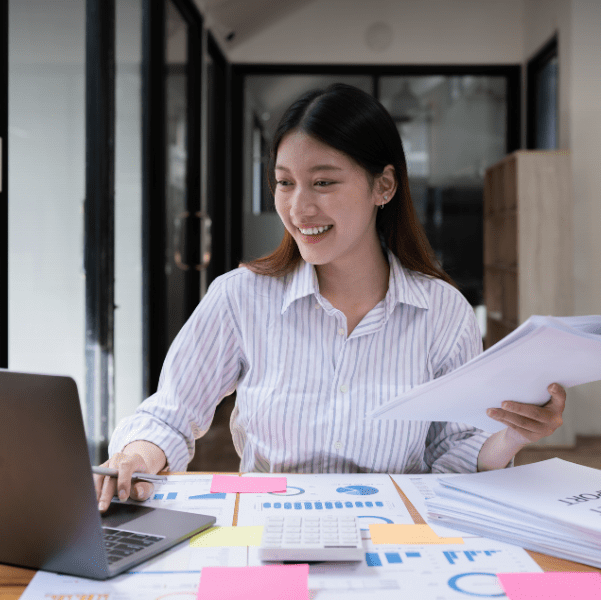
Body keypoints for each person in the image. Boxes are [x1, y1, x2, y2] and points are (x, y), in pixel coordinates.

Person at [95, 83, 566, 511]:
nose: (299, 208)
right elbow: (172, 414)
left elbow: (454, 448)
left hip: (394, 528)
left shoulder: (443, 311)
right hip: (268, 525)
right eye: (285, 182)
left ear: (383, 186)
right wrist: (135, 456)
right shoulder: (240, 297)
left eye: (323, 182)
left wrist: (510, 436)